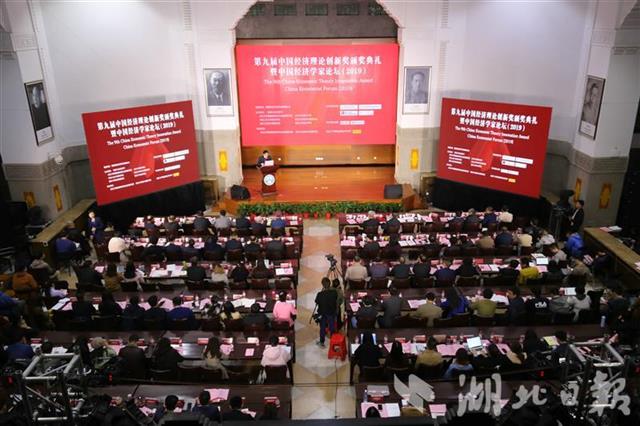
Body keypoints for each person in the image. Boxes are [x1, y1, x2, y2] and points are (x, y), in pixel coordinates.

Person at [315, 277, 338, 347]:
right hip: (331, 312)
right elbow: (335, 299)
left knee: (322, 327)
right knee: (332, 327)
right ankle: (333, 341)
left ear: (323, 285)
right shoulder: (334, 292)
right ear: (330, 284)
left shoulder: (320, 294)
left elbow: (317, 301)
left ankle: (322, 341)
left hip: (322, 312)